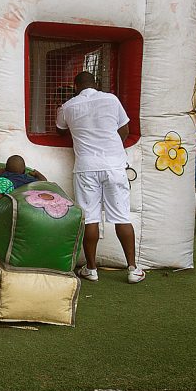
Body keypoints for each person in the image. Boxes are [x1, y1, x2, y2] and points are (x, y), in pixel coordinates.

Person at [56, 71, 145, 284]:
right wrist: (111, 149)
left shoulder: (68, 106)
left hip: (86, 167)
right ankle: (133, 269)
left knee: (90, 217)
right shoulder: (111, 99)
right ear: (95, 83)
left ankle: (91, 268)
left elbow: (60, 130)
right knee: (122, 216)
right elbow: (124, 129)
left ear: (75, 85)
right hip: (114, 165)